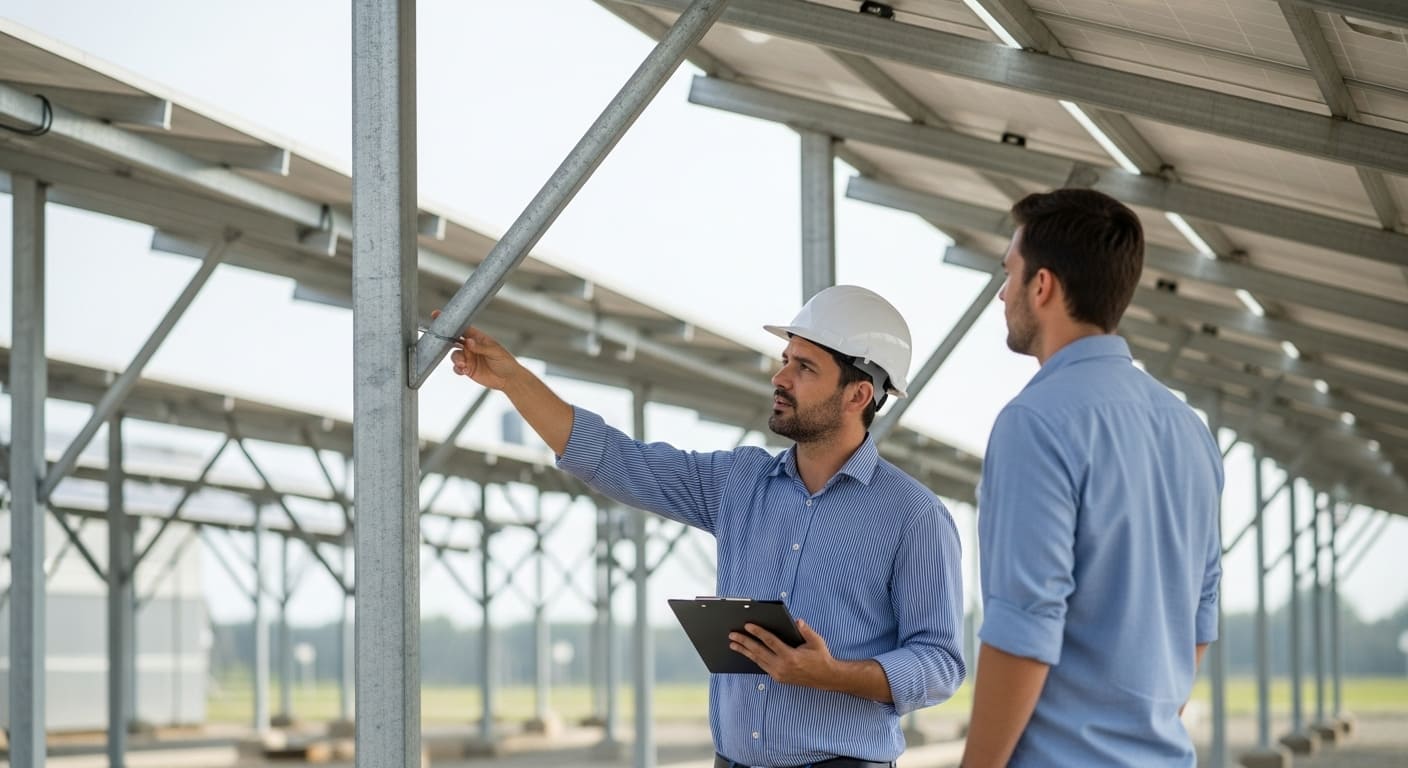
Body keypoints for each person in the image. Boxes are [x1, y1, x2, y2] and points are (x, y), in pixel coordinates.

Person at [442, 285, 965, 768]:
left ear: (858, 396)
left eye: (805, 367)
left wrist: (832, 676)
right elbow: (614, 459)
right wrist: (511, 379)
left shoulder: (913, 516)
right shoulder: (739, 481)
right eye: (785, 360)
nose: (779, 378)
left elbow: (939, 663)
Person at [960, 189, 1224, 767]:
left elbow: (1023, 629)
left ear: (1043, 285)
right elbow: (1199, 621)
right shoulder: (1190, 431)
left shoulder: (1034, 423)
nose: (1003, 293)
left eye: (1010, 273)